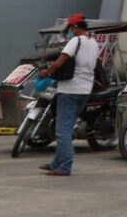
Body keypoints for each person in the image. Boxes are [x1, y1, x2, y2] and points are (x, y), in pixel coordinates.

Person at [37, 14, 98, 177]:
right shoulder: (93, 42)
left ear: (75, 27)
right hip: (85, 90)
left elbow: (59, 62)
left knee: (62, 131)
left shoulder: (75, 41)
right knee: (66, 128)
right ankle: (56, 163)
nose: (69, 32)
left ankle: (65, 166)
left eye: (70, 29)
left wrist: (46, 72)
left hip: (70, 90)